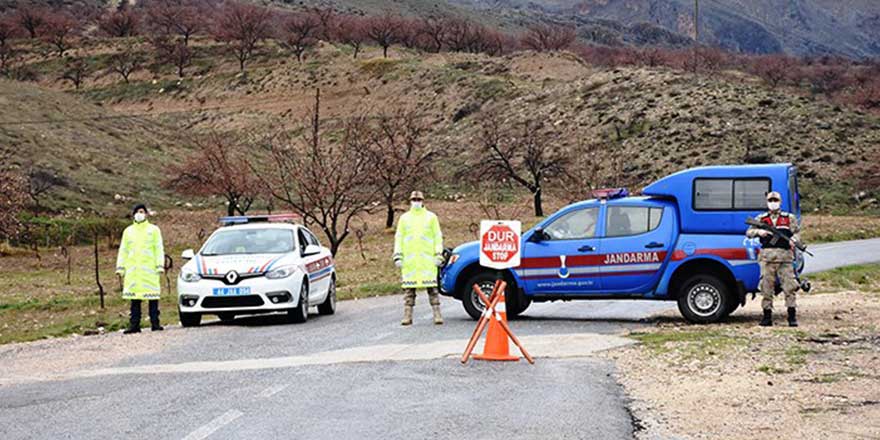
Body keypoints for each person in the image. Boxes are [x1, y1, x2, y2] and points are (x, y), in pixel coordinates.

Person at [746, 191, 802, 327]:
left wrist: (794, 240)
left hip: (785, 257)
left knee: (790, 287)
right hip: (767, 258)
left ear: (780, 202)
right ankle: (767, 317)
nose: (773, 203)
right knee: (766, 288)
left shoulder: (789, 218)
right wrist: (759, 232)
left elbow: (797, 233)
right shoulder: (761, 218)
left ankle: (792, 316)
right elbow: (749, 232)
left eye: (775, 200)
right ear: (767, 202)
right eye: (770, 200)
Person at [393, 191, 444, 326]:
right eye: (414, 199)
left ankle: (437, 313)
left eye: (418, 199)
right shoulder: (404, 218)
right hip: (410, 262)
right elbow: (399, 237)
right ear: (410, 201)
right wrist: (398, 255)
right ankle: (407, 315)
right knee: (409, 291)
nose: (416, 201)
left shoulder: (431, 217)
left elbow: (437, 236)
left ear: (423, 201)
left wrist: (439, 254)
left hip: (427, 261)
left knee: (432, 289)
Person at [116, 204, 165, 334]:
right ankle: (134, 325)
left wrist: (160, 265)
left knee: (153, 299)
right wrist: (120, 267)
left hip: (150, 270)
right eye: (137, 212)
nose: (139, 214)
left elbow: (158, 248)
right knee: (135, 300)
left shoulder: (154, 230)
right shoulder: (128, 231)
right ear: (133, 214)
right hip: (133, 271)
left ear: (146, 214)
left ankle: (155, 323)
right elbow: (123, 250)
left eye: (142, 211)